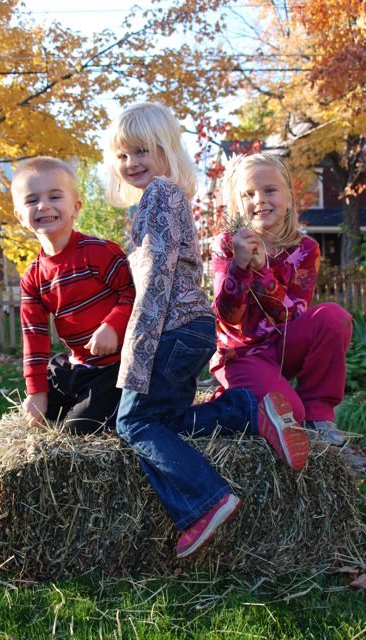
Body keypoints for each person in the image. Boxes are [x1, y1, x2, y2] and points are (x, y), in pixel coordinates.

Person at [105, 102, 310, 560]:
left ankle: (206, 500)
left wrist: (136, 354)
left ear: (166, 153)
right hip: (193, 327)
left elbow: (156, 279)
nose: (131, 162)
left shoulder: (159, 194)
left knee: (132, 421)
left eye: (141, 150)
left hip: (170, 327)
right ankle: (248, 412)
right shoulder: (165, 195)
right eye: (122, 154)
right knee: (168, 423)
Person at [210, 152, 352, 446]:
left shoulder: (305, 249)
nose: (259, 200)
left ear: (289, 197)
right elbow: (228, 316)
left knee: (333, 317)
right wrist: (240, 264)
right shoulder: (226, 244)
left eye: (270, 190)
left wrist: (262, 272)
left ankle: (319, 414)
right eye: (248, 194)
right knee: (290, 415)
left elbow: (293, 315)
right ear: (238, 205)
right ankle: (230, 400)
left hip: (284, 345)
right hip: (241, 353)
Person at [11, 156, 135, 434]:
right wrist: (36, 392)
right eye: (32, 200)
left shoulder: (99, 252)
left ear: (75, 207)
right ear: (20, 216)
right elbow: (34, 336)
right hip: (78, 364)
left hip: (114, 368)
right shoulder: (33, 277)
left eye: (55, 196)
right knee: (45, 406)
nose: (43, 206)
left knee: (78, 429)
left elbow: (132, 293)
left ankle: (106, 408)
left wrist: (112, 326)